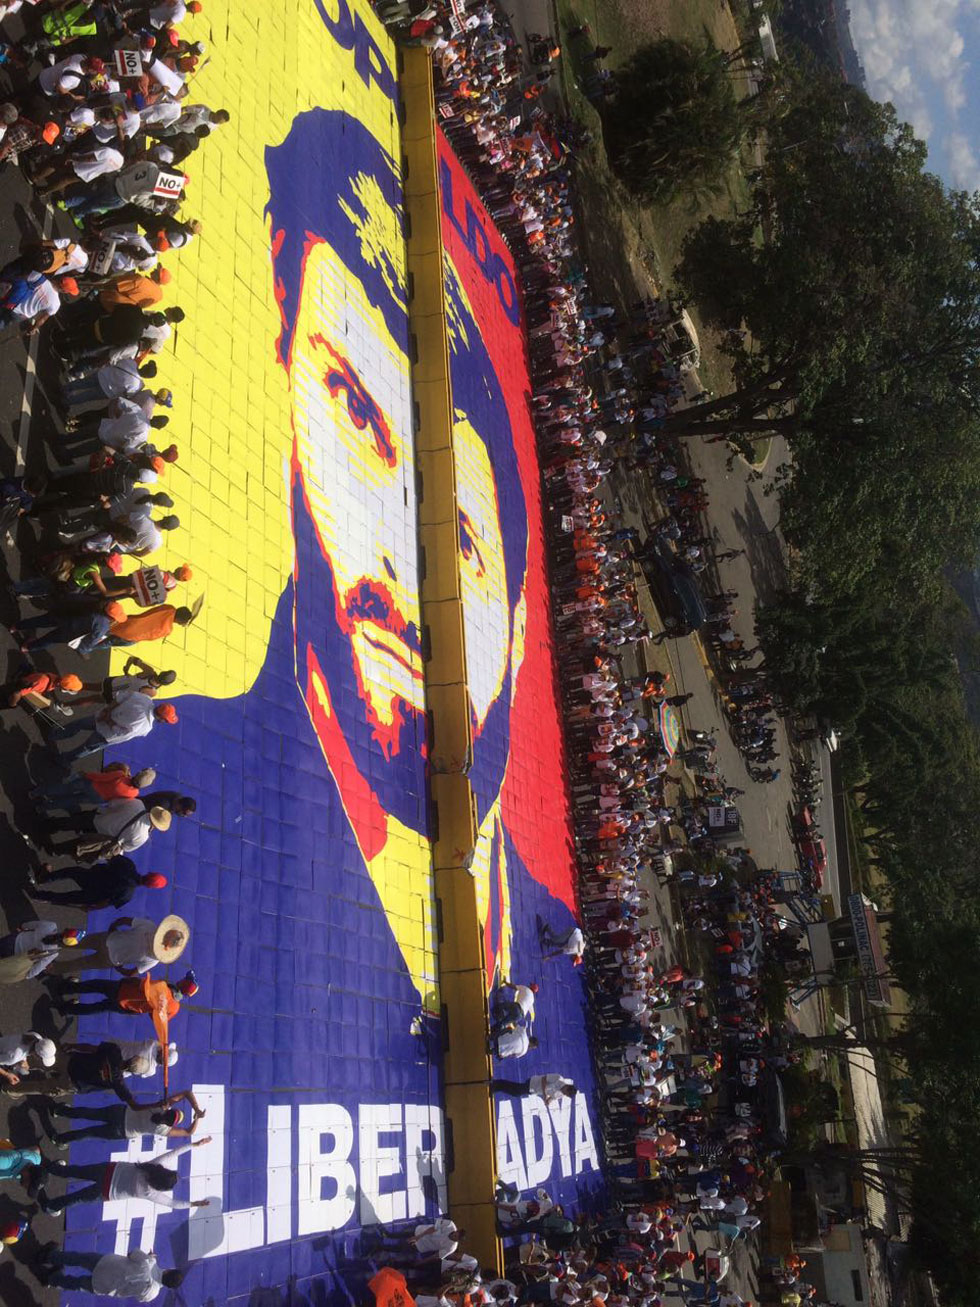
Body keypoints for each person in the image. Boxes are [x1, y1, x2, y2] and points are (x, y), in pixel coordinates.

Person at [33, 1136, 213, 1214]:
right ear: (160, 1187)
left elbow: (174, 1153)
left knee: (74, 1170)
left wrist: (195, 1145)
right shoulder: (150, 1193)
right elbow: (173, 1204)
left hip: (108, 1170)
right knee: (75, 1198)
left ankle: (46, 1167)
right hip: (106, 1192)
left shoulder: (153, 1166)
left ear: (164, 1171)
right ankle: (49, 1206)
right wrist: (194, 1204)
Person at [48, 1085, 206, 1144]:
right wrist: (197, 1118)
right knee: (89, 1133)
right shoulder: (163, 1130)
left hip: (120, 1112)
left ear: (171, 1110)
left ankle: (59, 1110)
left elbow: (186, 1093)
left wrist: (197, 1109)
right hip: (123, 1132)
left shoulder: (162, 1107)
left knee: (89, 1113)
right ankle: (60, 1139)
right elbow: (189, 1132)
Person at [45, 912, 189, 977]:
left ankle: (52, 942)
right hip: (110, 960)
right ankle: (51, 969)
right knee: (80, 964)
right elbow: (132, 973)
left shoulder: (149, 926)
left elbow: (125, 920)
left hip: (107, 939)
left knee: (80, 941)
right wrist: (120, 968)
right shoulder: (153, 959)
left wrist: (113, 926)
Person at [48, 697, 178, 762]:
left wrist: (107, 712)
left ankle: (55, 734)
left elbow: (120, 697)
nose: (165, 722)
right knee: (84, 749)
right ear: (161, 717)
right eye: (166, 720)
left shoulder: (144, 698)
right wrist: (109, 720)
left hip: (101, 715)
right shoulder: (145, 727)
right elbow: (121, 733)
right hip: (106, 735)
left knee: (78, 724)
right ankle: (62, 760)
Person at [34, 1244, 184, 1298]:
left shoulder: (149, 1262)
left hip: (106, 1265)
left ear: (168, 1271)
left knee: (77, 1259)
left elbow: (131, 1253)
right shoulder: (153, 1293)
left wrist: (149, 1256)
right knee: (76, 1284)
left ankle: (49, 1256)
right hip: (107, 1287)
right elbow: (140, 1298)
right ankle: (51, 1279)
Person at [44, 799, 174, 857]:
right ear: (157, 826)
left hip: (98, 819)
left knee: (72, 822)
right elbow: (126, 848)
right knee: (77, 845)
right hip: (101, 838)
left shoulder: (137, 804)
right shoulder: (143, 837)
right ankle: (54, 850)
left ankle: (49, 825)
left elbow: (113, 804)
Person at [28, 858, 168, 909]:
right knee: (66, 897)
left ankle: (45, 878)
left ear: (149, 873)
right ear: (148, 887)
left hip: (91, 877)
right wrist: (91, 907)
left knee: (71, 871)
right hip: (93, 895)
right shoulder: (128, 894)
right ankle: (40, 896)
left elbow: (111, 859)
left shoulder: (128, 865)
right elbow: (107, 903)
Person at [54, 969, 198, 1017]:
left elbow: (140, 984)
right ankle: (68, 1009)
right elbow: (155, 1018)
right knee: (98, 1008)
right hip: (129, 1008)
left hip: (124, 990)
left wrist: (127, 980)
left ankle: (65, 988)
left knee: (95, 985)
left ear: (183, 984)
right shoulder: (174, 1008)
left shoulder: (163, 986)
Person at [490, 1073, 576, 1102]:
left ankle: (497, 1085)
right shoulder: (558, 1078)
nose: (564, 1094)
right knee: (516, 1091)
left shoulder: (561, 1095)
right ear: (567, 1087)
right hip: (533, 1083)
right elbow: (544, 1079)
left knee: (516, 1091)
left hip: (534, 1091)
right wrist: (545, 1093)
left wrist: (548, 1102)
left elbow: (552, 1098)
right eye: (566, 1092)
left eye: (566, 1095)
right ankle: (497, 1085)